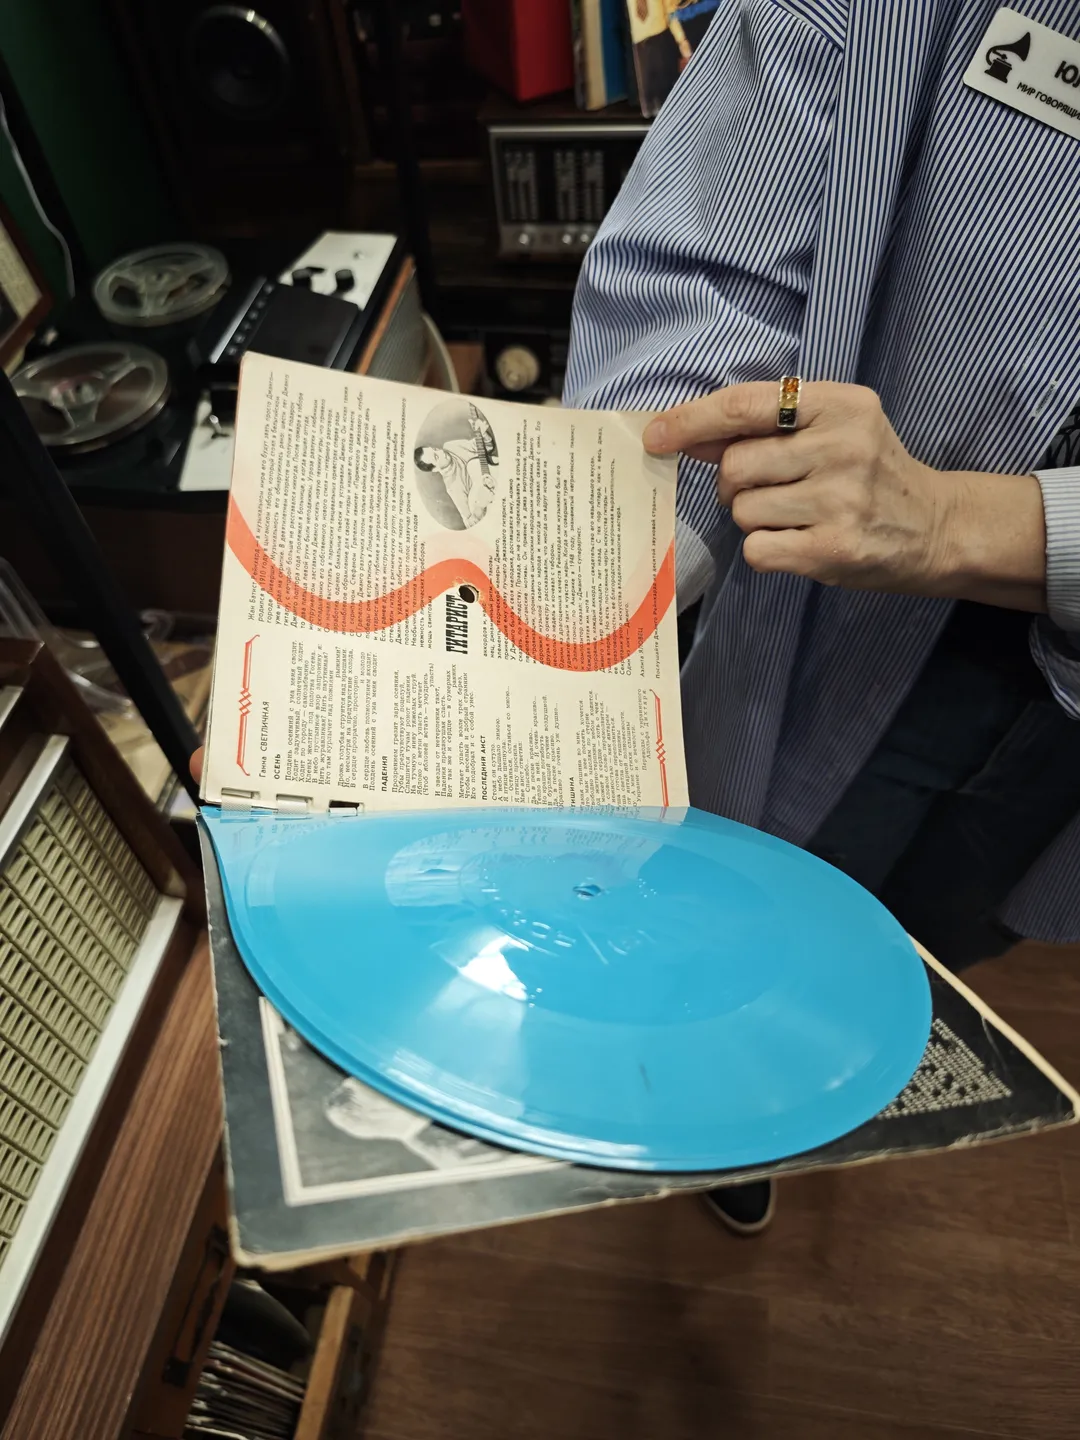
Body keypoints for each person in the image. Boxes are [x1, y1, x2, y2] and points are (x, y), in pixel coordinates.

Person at [564, 0, 1080, 1237]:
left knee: (943, 931)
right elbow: (707, 270)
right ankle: (721, 1124)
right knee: (756, 893)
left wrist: (965, 523)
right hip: (842, 620)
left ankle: (794, 1091)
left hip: (1043, 690)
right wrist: (572, 593)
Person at [415, 436, 496, 528]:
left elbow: (486, 446)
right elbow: (470, 523)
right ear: (436, 469)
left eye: (436, 449)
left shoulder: (450, 446)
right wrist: (480, 505)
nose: (441, 452)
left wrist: (484, 434)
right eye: (436, 457)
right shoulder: (453, 487)